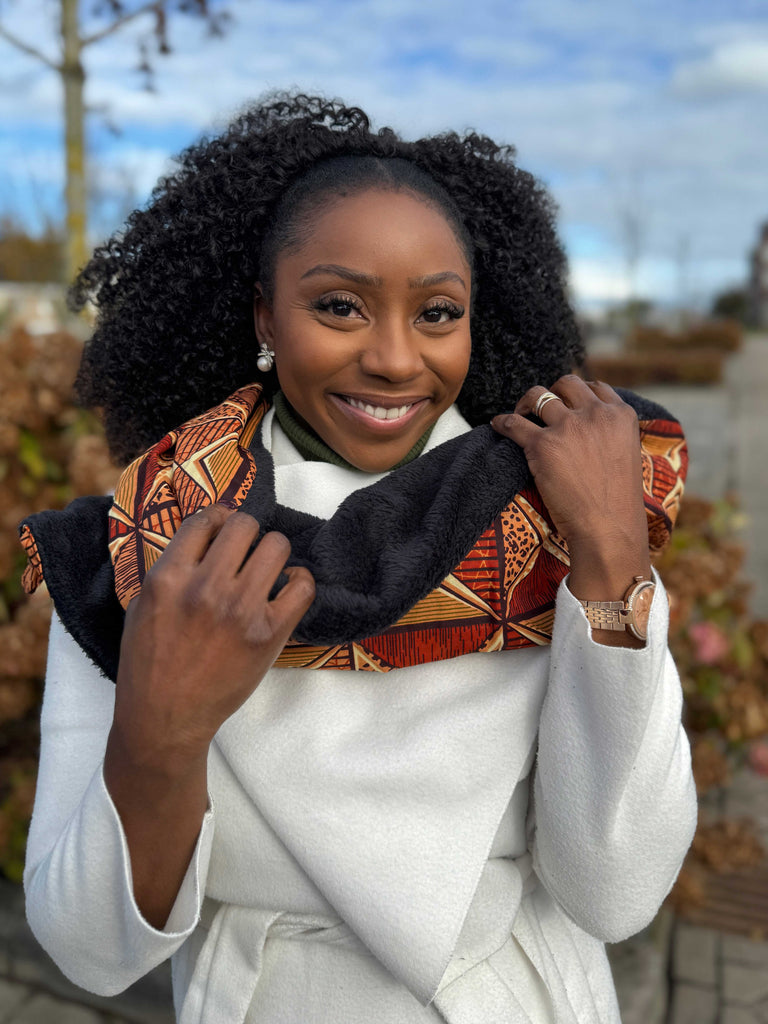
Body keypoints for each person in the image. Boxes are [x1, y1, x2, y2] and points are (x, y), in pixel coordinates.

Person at [19, 92, 696, 1024]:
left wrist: (613, 554)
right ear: (265, 317)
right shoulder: (141, 554)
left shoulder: (552, 524)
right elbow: (90, 952)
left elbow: (616, 895)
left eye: (438, 312)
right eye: (339, 305)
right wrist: (162, 731)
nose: (395, 359)